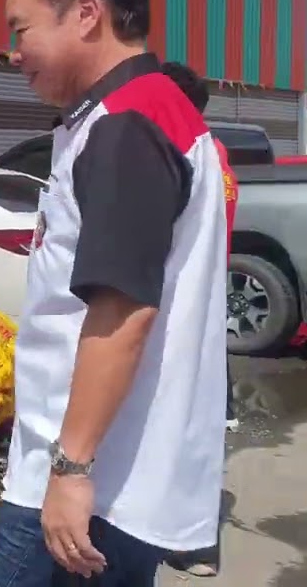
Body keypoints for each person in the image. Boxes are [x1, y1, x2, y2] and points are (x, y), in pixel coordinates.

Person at [0, 0, 227, 586]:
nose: (13, 51)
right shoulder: (135, 115)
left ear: (87, 13)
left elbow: (123, 310)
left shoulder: (126, 123)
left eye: (22, 28)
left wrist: (71, 468)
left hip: (83, 480)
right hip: (110, 470)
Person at [159, 60, 239, 578]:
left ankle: (187, 541)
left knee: (176, 425)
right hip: (205, 302)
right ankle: (193, 539)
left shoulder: (181, 153)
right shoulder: (216, 153)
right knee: (195, 425)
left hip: (175, 307)